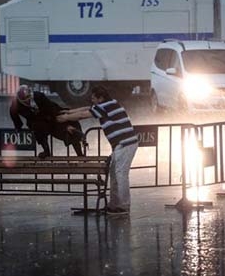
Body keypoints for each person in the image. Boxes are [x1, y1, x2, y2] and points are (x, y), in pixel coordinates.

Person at [56, 85, 138, 215]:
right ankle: (114, 205)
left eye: (94, 98)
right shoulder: (110, 103)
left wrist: (65, 118)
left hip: (125, 144)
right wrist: (68, 112)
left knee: (120, 174)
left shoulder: (104, 107)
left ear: (100, 98)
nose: (92, 100)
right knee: (114, 173)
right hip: (122, 144)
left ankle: (123, 206)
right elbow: (86, 109)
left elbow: (83, 115)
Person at [10, 85, 85, 158]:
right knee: (37, 128)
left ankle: (80, 153)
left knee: (68, 125)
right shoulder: (15, 106)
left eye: (29, 99)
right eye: (25, 101)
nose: (28, 102)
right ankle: (46, 151)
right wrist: (18, 127)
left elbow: (51, 109)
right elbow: (14, 115)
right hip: (36, 121)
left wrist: (64, 124)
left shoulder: (39, 96)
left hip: (50, 114)